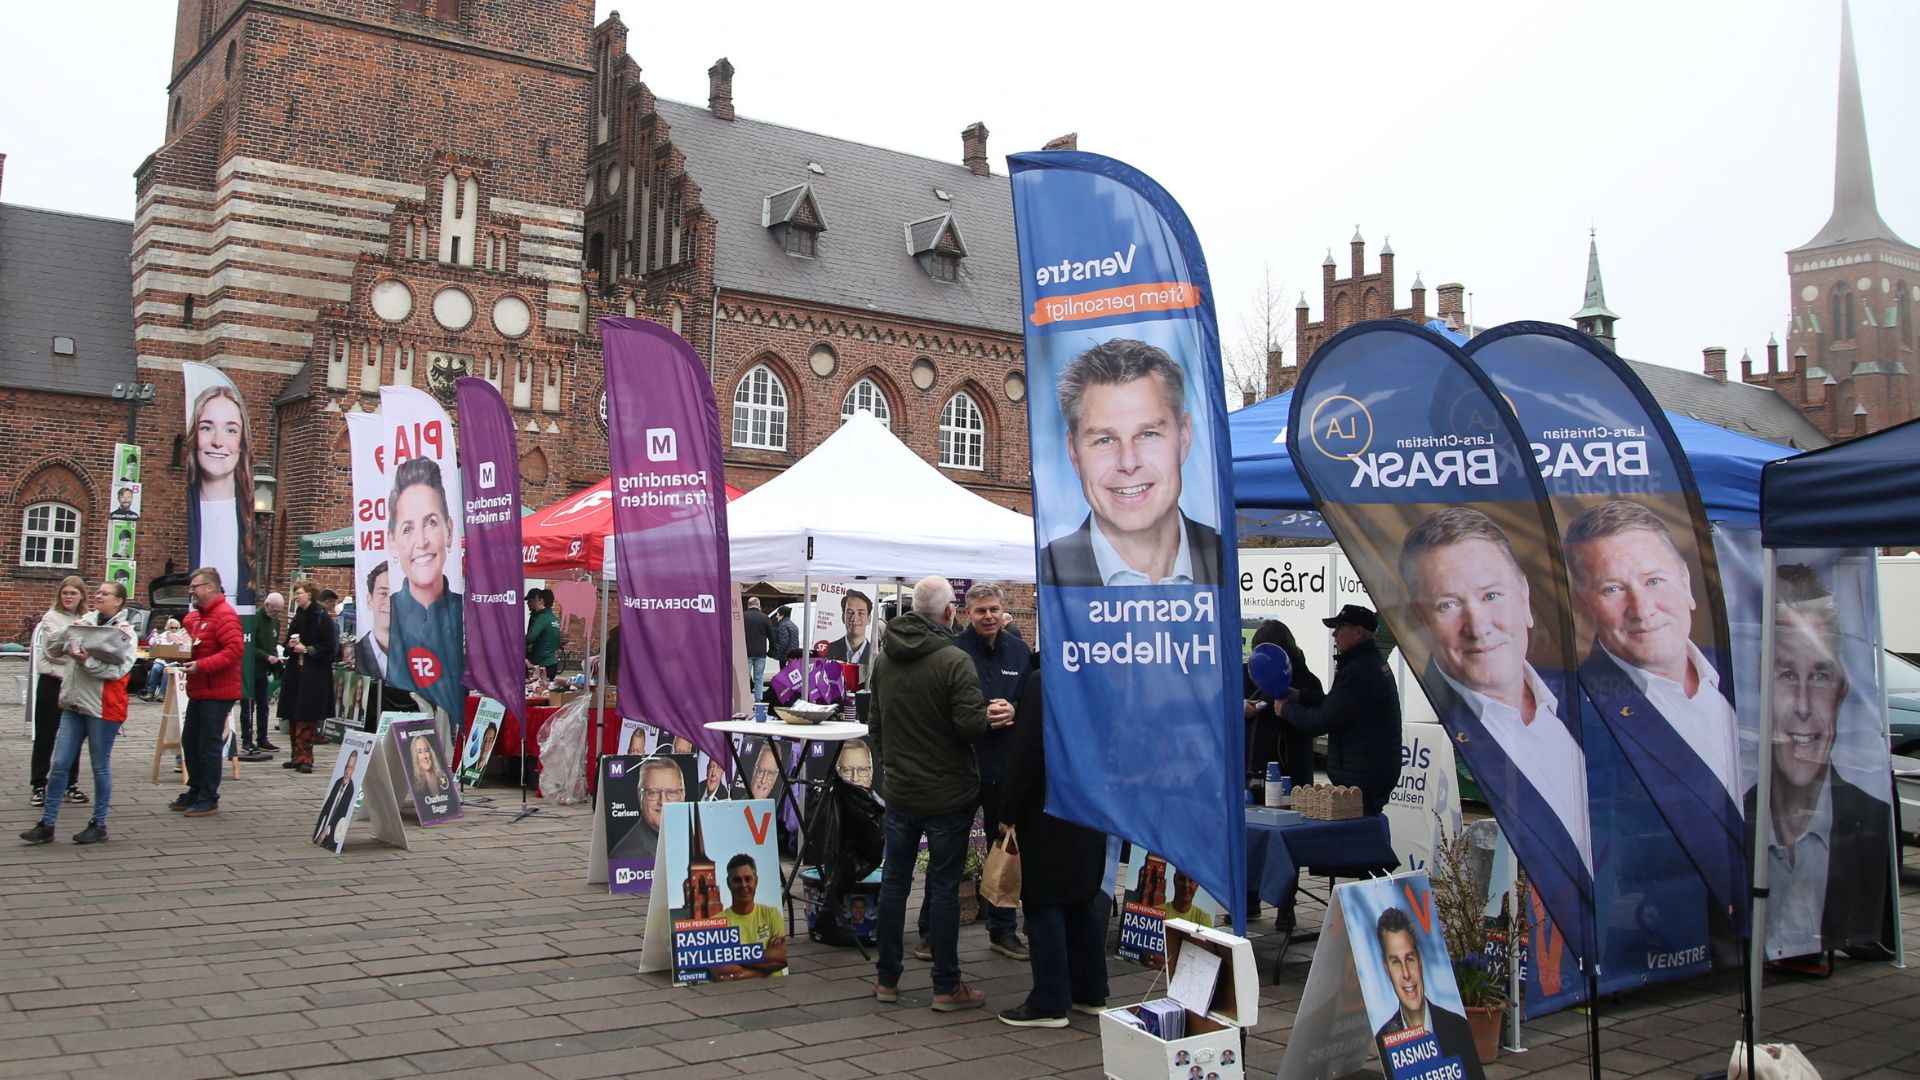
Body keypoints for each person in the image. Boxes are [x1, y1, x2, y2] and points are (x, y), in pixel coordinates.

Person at [1398, 508, 1595, 958]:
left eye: (1491, 595)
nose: (1478, 625)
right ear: (1418, 622)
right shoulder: (1458, 722)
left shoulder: (1585, 702)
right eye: (1447, 605)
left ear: (1524, 597)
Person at [1565, 500, 1744, 920]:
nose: (1642, 608)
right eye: (1612, 589)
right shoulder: (1576, 714)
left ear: (1686, 582)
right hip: (1670, 928)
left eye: (1654, 580)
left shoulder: (1743, 678)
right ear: (1583, 604)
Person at [1753, 564, 1892, 963]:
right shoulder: (1728, 821)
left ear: (1842, 690)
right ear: (1759, 687)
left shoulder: (1871, 819)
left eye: (1819, 676)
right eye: (1785, 674)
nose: (1802, 706)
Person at [869, 576, 993, 1013]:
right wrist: (990, 715)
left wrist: (894, 767)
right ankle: (945, 985)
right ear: (949, 612)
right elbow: (969, 726)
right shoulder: (955, 661)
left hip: (902, 791)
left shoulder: (885, 660)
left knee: (894, 883)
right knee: (942, 887)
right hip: (948, 793)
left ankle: (886, 978)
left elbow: (876, 726)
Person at [1040, 338, 1221, 586]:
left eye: (1148, 434)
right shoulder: (1047, 575)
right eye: (1105, 440)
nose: (1128, 463)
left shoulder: (1225, 562)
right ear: (1074, 452)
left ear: (1184, 437)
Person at [1271, 605, 1401, 931]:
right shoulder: (1365, 664)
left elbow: (1325, 719)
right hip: (1367, 772)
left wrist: (1287, 710)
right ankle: (1366, 915)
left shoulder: (1360, 671)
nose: (1334, 635)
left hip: (1364, 777)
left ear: (1358, 632)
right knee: (1362, 848)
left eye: (1339, 629)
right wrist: (1302, 696)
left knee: (1361, 850)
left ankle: (1370, 919)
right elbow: (1336, 704)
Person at [925, 583, 1032, 961]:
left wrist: (1015, 709)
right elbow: (938, 707)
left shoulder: (1019, 652)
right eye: (980, 610)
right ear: (967, 613)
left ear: (1003, 611)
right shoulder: (952, 652)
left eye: (993, 610)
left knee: (1004, 852)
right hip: (963, 767)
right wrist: (976, 715)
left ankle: (1003, 931)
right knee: (947, 852)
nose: (988, 616)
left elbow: (1032, 699)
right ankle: (930, 932)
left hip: (1005, 768)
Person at [997, 671, 1109, 1028]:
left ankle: (1049, 1000)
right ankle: (1090, 991)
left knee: (1043, 899)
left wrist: (1008, 811)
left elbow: (1027, 750)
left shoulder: (1045, 680)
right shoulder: (1105, 675)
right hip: (1093, 802)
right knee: (1082, 896)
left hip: (1048, 807)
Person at [20, 581, 136, 846]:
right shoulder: (83, 621)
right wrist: (68, 632)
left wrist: (87, 660)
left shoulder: (124, 631)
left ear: (118, 601)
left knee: (99, 766)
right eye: (98, 592)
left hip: (103, 706)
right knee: (60, 764)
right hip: (74, 703)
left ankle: (99, 823)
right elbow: (51, 649)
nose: (99, 596)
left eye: (105, 593)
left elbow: (117, 671)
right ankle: (47, 823)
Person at [385, 454, 464, 716]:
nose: (421, 541)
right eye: (407, 529)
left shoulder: (468, 611)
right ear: (392, 541)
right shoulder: (385, 614)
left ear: (449, 530)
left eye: (430, 523)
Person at [1372, 907, 1485, 1080]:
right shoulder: (1383, 1039)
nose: (1406, 974)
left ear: (1420, 960)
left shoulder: (1458, 1027)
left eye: (1410, 959)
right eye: (1396, 962)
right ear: (1386, 968)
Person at [173, 566, 244, 818]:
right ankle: (196, 789)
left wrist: (201, 666)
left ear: (211, 587)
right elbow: (195, 646)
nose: (191, 591)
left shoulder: (224, 615)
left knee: (208, 745)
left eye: (195, 587)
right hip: (201, 689)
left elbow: (234, 650)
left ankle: (208, 797)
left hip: (218, 691)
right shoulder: (200, 617)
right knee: (191, 741)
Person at [186, 384, 256, 612]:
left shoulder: (247, 518)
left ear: (241, 444)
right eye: (207, 428)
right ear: (195, 436)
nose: (218, 441)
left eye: (230, 430)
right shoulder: (188, 510)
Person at [1243, 620, 1324, 786]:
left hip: (1290, 776)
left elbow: (1319, 723)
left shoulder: (1306, 681)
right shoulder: (1245, 674)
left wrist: (1287, 709)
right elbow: (1219, 706)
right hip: (1248, 774)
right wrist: (1238, 707)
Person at [29, 578, 87, 808]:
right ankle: (39, 784)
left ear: (81, 596)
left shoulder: (86, 618)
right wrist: (78, 652)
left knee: (74, 735)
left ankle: (70, 783)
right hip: (52, 681)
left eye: (73, 593)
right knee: (46, 735)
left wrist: (80, 652)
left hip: (76, 683)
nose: (68, 597)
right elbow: (53, 650)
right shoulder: (51, 617)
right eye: (65, 593)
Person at [284, 582, 339, 774]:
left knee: (307, 716)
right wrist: (290, 645)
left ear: (309, 595)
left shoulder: (321, 616)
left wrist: (307, 649)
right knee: (293, 713)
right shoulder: (298, 615)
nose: (296, 596)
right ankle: (295, 756)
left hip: (313, 674)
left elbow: (330, 647)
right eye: (295, 593)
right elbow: (287, 641)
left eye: (299, 593)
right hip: (295, 672)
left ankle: (305, 758)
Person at [708, 853, 789, 980]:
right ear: (728, 883)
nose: (743, 885)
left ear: (756, 881)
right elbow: (723, 974)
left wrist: (732, 956)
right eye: (737, 880)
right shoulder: (716, 922)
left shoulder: (771, 914)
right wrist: (768, 965)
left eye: (748, 879)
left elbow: (783, 957)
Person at [609, 757, 686, 861]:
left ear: (683, 796)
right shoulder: (625, 856)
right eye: (653, 793)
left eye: (672, 792)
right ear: (640, 797)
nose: (663, 802)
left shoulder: (696, 839)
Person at [244, 594, 284, 752]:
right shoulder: (254, 619)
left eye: (279, 611)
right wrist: (266, 656)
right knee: (248, 706)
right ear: (267, 605)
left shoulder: (276, 622)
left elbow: (273, 644)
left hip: (264, 670)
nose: (276, 614)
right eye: (275, 610)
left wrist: (274, 657)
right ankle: (246, 739)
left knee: (263, 705)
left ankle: (262, 738)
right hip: (250, 669)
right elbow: (249, 645)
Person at [824, 589, 878, 686]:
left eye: (860, 613)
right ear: (843, 617)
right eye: (850, 612)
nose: (854, 618)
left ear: (869, 619)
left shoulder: (876, 656)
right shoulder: (827, 651)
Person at [313, 748, 359, 849]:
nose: (347, 772)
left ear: (354, 770)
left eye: (350, 768)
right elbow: (327, 806)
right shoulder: (338, 782)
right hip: (325, 822)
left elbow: (342, 815)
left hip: (334, 829)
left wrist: (329, 828)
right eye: (347, 767)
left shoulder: (350, 789)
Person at [354, 563, 391, 678]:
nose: (390, 602)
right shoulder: (356, 653)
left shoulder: (420, 654)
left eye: (396, 594)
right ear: (369, 600)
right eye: (383, 593)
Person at [142, 619, 190, 701]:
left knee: (167, 671)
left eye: (176, 628)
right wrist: (154, 638)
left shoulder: (182, 638)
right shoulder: (162, 636)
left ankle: (162, 694)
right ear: (167, 628)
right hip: (162, 660)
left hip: (175, 661)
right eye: (172, 627)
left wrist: (181, 644)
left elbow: (186, 649)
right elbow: (151, 642)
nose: (174, 629)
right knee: (155, 668)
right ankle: (150, 692)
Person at [407, 732, 451, 808]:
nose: (425, 756)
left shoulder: (443, 776)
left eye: (426, 750)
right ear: (415, 757)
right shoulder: (417, 786)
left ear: (431, 753)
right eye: (420, 752)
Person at [526, 588, 561, 680]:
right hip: (552, 663)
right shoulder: (553, 618)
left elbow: (529, 638)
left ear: (541, 601)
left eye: (535, 600)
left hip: (541, 665)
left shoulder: (542, 618)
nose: (528, 603)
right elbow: (558, 641)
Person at [743, 597, 773, 701]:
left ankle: (745, 700)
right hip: (760, 653)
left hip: (746, 652)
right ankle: (758, 700)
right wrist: (772, 650)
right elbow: (771, 636)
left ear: (748, 605)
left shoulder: (743, 617)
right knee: (759, 678)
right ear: (759, 605)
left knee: (745, 678)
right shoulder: (764, 618)